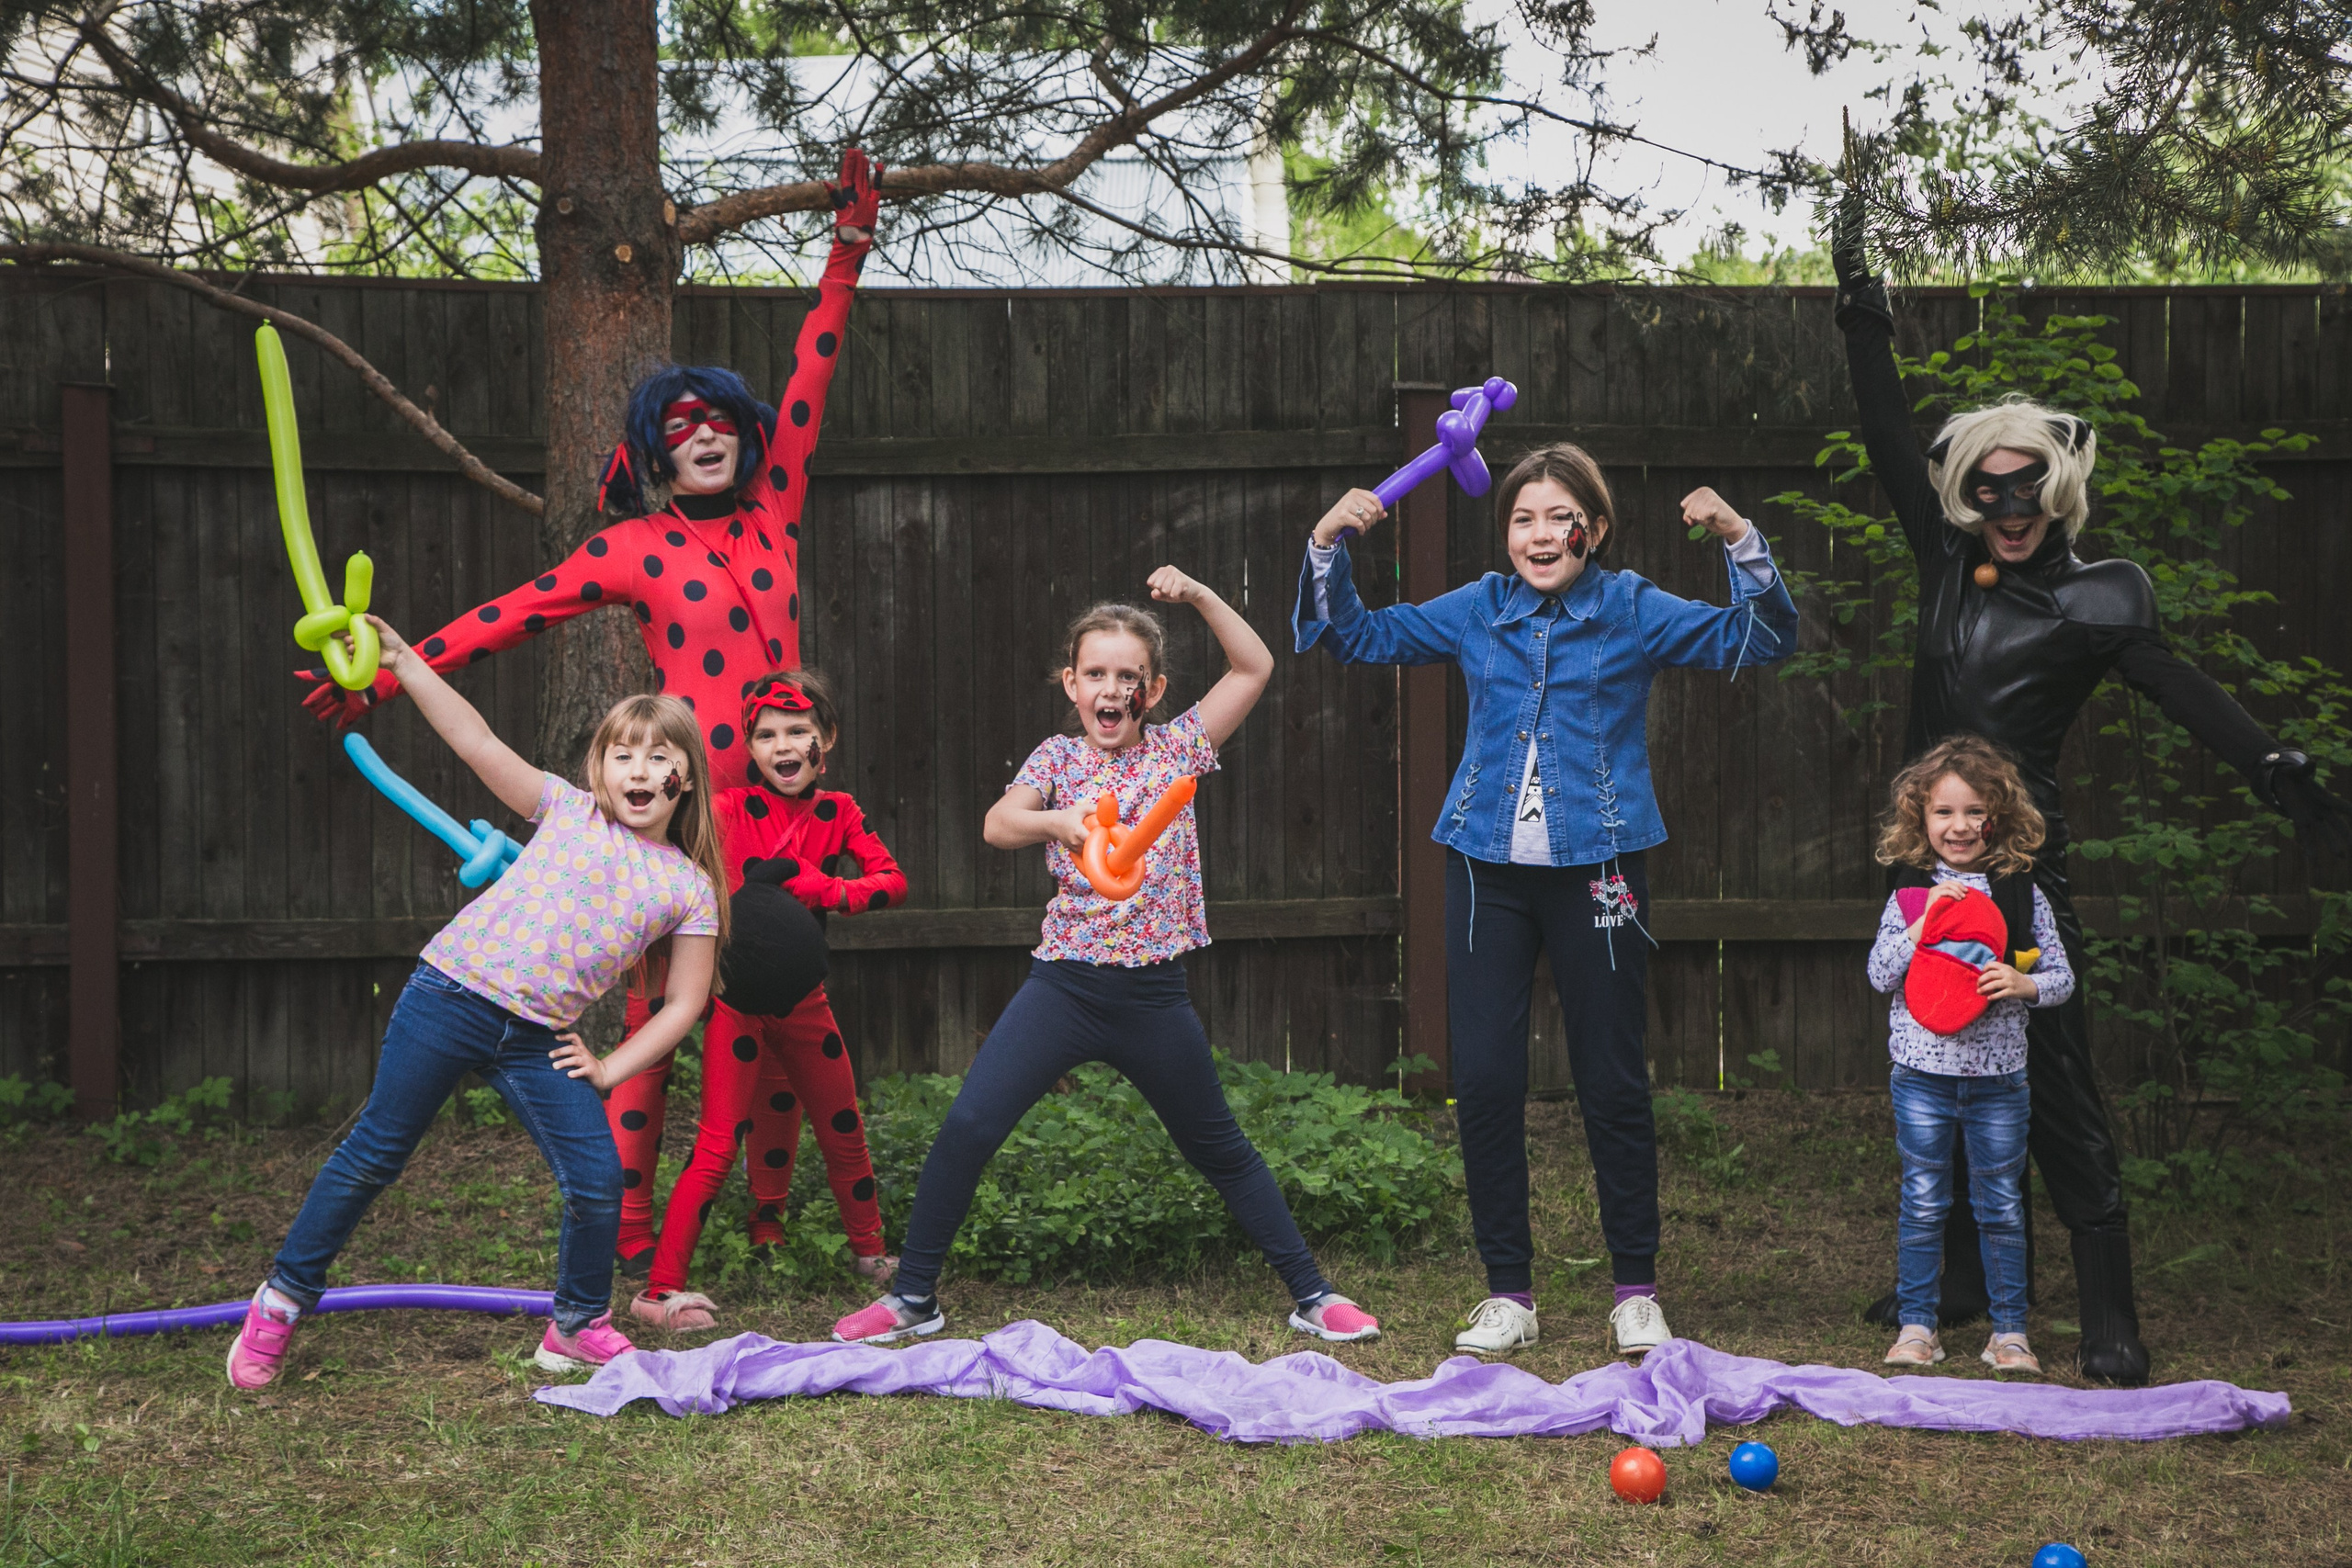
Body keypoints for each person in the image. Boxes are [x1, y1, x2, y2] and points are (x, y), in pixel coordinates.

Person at [297, 151, 886, 1276]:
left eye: (722, 419)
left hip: (764, 824)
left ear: (746, 437)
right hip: (664, 833)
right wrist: (386, 673)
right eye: (682, 424)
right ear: (657, 450)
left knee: (781, 1030)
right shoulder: (631, 547)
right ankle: (620, 1257)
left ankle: (784, 1242)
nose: (706, 433)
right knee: (646, 1047)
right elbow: (513, 613)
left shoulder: (776, 512)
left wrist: (845, 256)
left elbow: (815, 373)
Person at [1830, 201, 2351, 1383]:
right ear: (1967, 493)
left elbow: (2179, 688)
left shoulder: (2101, 598)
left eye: (2027, 493)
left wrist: (2275, 767)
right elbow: (1881, 428)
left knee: (2048, 1071)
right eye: (1988, 492)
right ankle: (1958, 1282)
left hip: (2019, 871)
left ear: (2055, 494)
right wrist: (1863, 316)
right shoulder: (1942, 564)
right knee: (1931, 1051)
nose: (2007, 512)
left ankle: (2108, 1306)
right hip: (1929, 859)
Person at [1293, 445, 1798, 1359]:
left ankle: (1635, 1292)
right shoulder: (1479, 608)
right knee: (1484, 1081)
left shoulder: (1633, 607)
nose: (1537, 534)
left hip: (1603, 868)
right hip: (1484, 866)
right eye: (1521, 517)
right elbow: (1358, 637)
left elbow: (1756, 639)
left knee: (1609, 1078)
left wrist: (1739, 538)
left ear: (1592, 530)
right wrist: (1329, 544)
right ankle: (1507, 1296)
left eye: (1557, 516)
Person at [830, 571, 1382, 1347]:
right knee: (969, 1125)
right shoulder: (1057, 758)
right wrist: (1060, 821)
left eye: (1128, 677)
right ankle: (913, 1297)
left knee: (1218, 1146)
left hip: (1154, 998)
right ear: (1072, 682)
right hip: (1064, 988)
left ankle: (1313, 1293)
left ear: (1152, 690)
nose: (1111, 689)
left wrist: (1196, 597)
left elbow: (1255, 665)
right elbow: (996, 824)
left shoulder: (1180, 748)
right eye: (1096, 674)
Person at [229, 618, 727, 1388]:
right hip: (450, 996)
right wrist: (404, 660)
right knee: (374, 1155)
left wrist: (607, 1068)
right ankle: (283, 1298)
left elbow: (684, 1001)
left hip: (538, 1037)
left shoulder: (689, 887)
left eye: (657, 757)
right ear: (599, 766)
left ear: (684, 778)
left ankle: (576, 1325)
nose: (637, 769)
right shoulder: (567, 810)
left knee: (597, 1180)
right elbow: (477, 740)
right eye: (621, 753)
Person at [629, 671, 904, 1330]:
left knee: (842, 1126)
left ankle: (869, 1253)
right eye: (767, 735)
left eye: (798, 731)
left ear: (825, 738)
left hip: (806, 1001)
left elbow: (890, 881)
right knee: (718, 1141)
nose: (783, 746)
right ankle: (659, 1289)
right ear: (749, 748)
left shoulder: (839, 812)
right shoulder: (723, 813)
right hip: (737, 1003)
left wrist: (820, 887)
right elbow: (663, 865)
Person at [1868, 736, 2073, 1376]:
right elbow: (1879, 974)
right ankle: (1917, 1326)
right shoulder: (1911, 892)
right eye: (1943, 812)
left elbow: (2062, 975)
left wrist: (2025, 983)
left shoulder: (2020, 892)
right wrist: (1919, 929)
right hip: (1922, 1079)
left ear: (1998, 817)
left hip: (1999, 1082)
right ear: (1919, 818)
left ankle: (2010, 1333)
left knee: (2002, 1205)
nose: (1959, 826)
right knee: (1925, 1202)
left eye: (1975, 811)